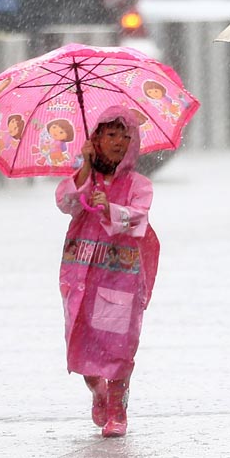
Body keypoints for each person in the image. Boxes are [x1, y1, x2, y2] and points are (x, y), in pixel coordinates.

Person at [55, 105, 160, 437]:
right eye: (110, 135)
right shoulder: (84, 177)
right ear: (95, 139)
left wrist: (110, 208)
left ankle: (117, 407)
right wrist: (85, 169)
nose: (118, 142)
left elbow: (138, 217)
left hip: (120, 277)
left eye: (124, 136)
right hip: (82, 273)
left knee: (117, 344)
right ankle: (97, 390)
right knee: (83, 342)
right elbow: (66, 204)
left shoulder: (138, 184)